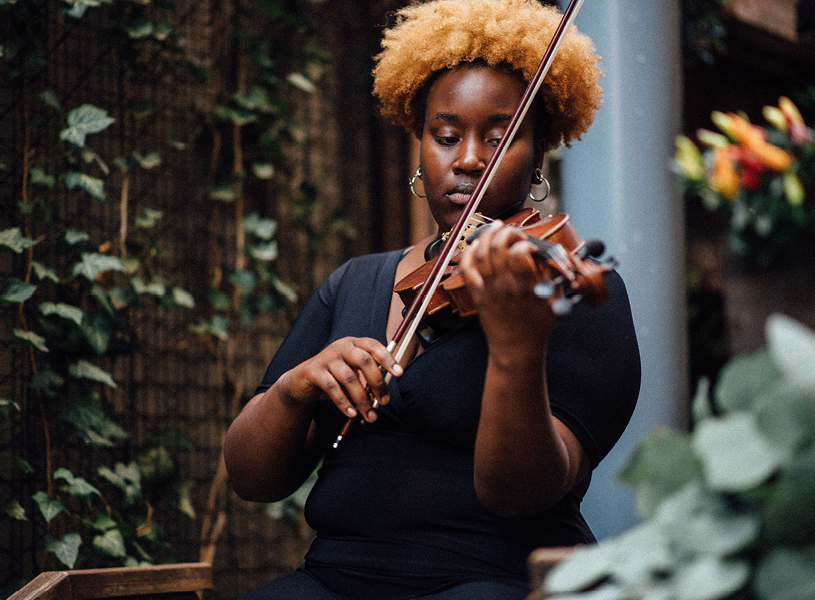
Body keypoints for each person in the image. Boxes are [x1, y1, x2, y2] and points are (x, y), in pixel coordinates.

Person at [224, 1, 641, 598]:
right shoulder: (356, 283)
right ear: (419, 146)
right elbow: (251, 477)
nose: (468, 159)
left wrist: (516, 349)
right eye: (446, 135)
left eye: (498, 138)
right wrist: (296, 388)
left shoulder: (567, 292)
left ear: (538, 155)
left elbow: (519, 492)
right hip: (335, 577)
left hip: (492, 579)